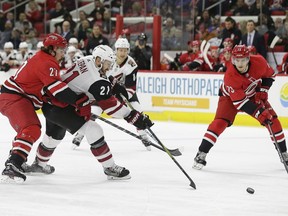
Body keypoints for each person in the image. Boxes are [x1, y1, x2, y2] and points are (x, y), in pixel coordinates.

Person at [23, 44, 153, 180]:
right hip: (62, 106)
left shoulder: (88, 59)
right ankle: (109, 167)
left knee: (54, 135)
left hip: (52, 102)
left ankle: (39, 165)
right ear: (99, 60)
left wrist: (114, 84)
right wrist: (133, 117)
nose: (109, 67)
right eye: (107, 63)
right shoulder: (98, 83)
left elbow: (97, 75)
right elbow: (111, 108)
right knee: (94, 130)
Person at [0, 33, 91, 183]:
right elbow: (58, 90)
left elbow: (50, 91)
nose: (64, 53)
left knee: (28, 129)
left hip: (18, 98)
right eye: (61, 49)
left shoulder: (44, 59)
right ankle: (13, 164)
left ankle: (17, 159)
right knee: (31, 128)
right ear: (52, 49)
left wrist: (70, 102)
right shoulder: (47, 62)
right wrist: (79, 101)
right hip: (14, 98)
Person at [193, 45, 288, 170]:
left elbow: (270, 76)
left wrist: (263, 91)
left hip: (254, 94)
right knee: (219, 123)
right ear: (232, 60)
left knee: (273, 120)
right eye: (237, 60)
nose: (240, 63)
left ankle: (284, 155)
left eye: (243, 60)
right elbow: (241, 103)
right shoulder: (230, 77)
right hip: (229, 99)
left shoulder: (259, 61)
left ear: (248, 58)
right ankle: (201, 153)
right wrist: (259, 114)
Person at [72, 38, 153, 150]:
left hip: (123, 92)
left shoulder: (131, 64)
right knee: (94, 112)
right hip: (105, 89)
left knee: (138, 110)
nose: (123, 53)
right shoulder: (108, 59)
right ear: (116, 50)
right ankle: (80, 135)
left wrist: (123, 98)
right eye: (120, 50)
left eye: (125, 50)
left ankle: (143, 135)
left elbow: (131, 88)